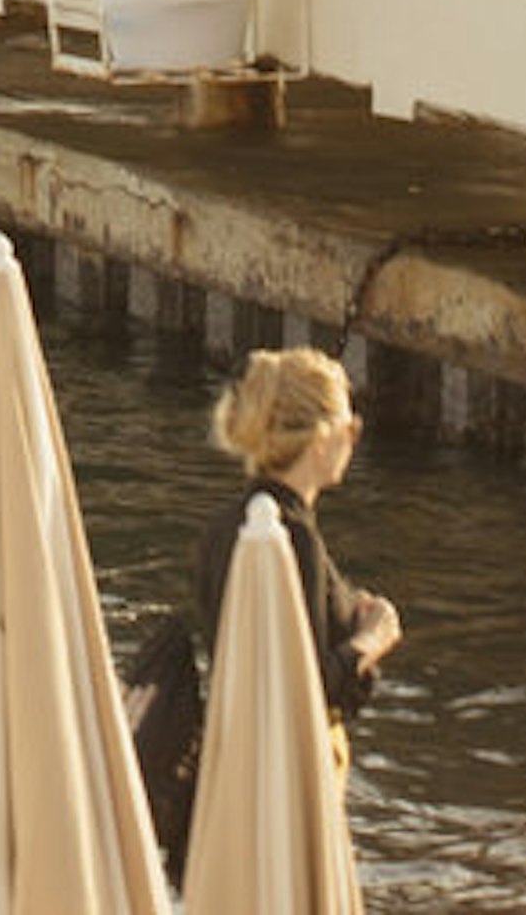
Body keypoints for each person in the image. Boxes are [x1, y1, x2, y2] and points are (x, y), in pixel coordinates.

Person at [132, 341, 400, 871]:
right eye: (349, 424)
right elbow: (298, 691)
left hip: (232, 767)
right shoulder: (289, 539)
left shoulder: (225, 530)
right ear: (322, 438)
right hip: (283, 780)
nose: (356, 435)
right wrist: (375, 636)